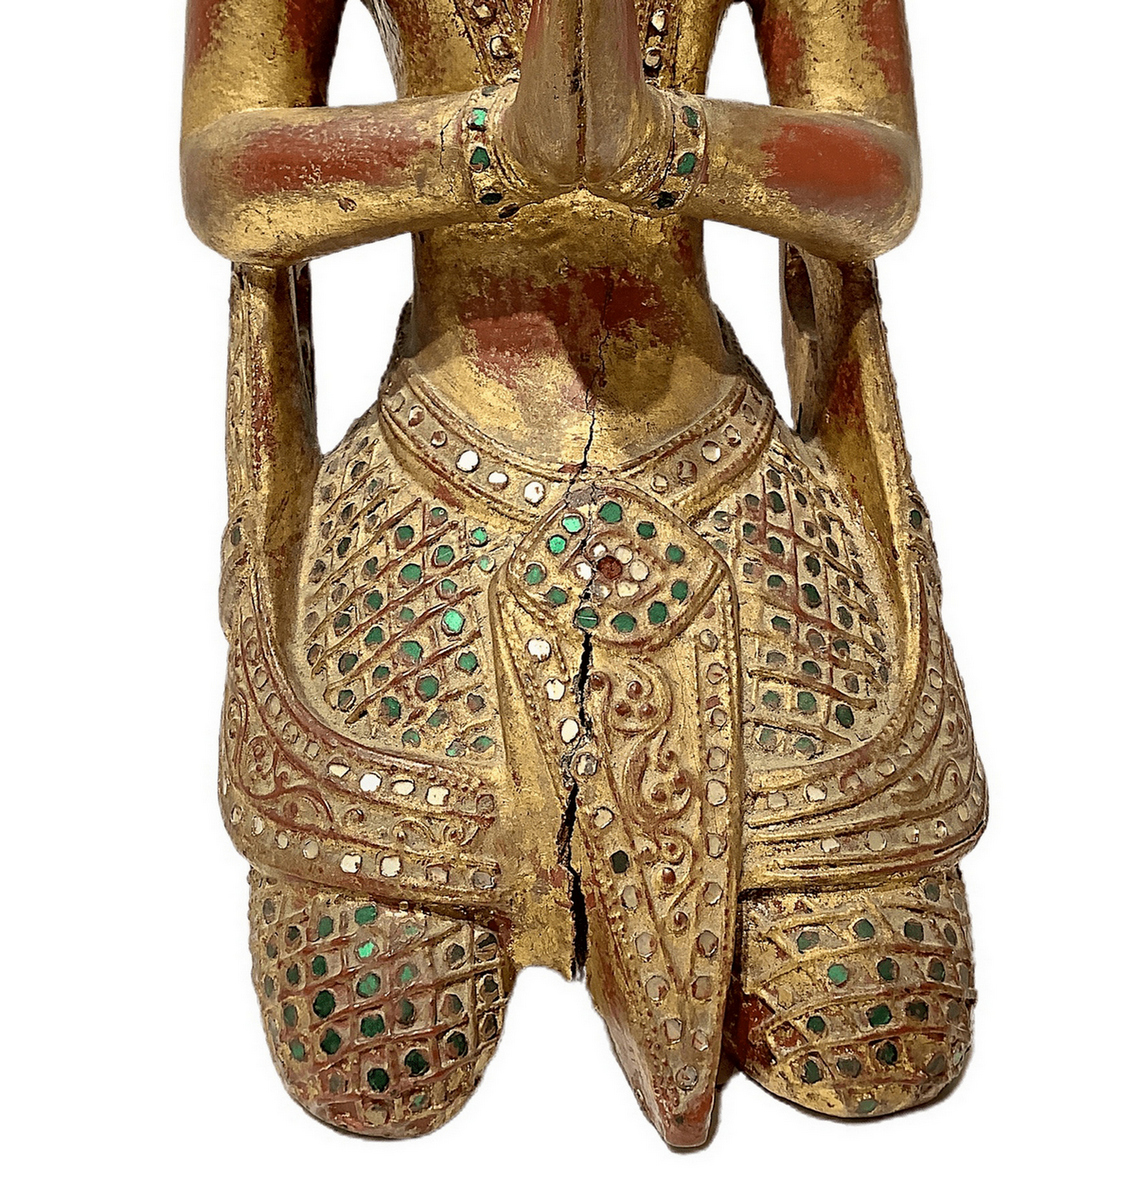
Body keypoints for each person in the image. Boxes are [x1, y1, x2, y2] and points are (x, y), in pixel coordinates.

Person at [183, 0, 985, 1146]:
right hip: (436, 474)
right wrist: (484, 149)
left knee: (874, 1026)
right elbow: (229, 174)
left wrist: (671, 144)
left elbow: (875, 176)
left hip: (716, 465)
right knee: (373, 1044)